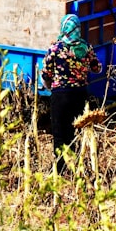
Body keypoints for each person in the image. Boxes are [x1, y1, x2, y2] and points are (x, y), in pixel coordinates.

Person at [41, 14, 103, 175]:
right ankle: (77, 164)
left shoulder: (55, 49)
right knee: (76, 129)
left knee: (59, 132)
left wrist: (50, 87)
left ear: (64, 29)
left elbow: (46, 74)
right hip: (80, 94)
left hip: (60, 95)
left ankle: (61, 169)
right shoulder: (85, 47)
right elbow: (96, 68)